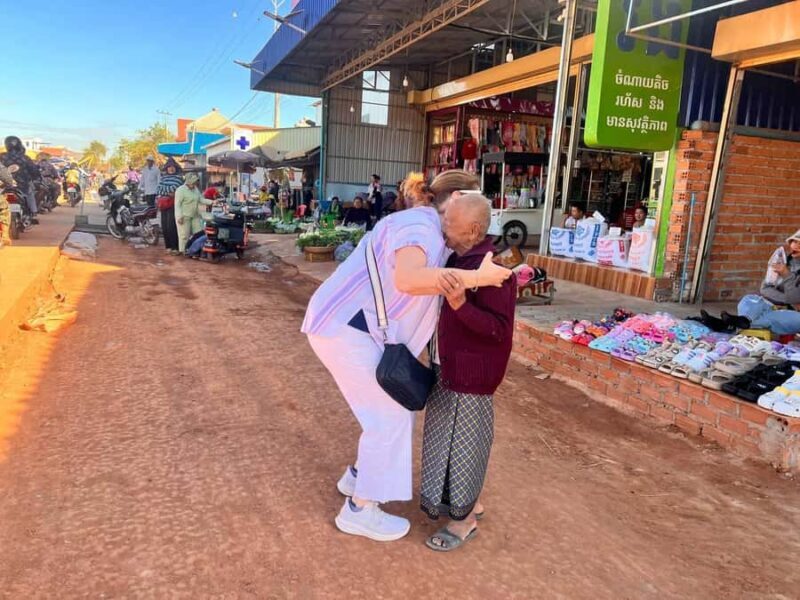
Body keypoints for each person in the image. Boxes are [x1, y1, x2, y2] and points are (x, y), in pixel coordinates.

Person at [301, 169, 507, 543]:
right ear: (457, 198)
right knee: (391, 416)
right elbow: (409, 280)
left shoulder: (434, 231)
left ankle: (357, 478)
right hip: (347, 328)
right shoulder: (420, 226)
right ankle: (360, 509)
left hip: (353, 327)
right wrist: (479, 279)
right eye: (475, 206)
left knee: (387, 411)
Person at [420, 193, 516, 552]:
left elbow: (498, 329)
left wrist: (460, 305)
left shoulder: (494, 270)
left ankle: (465, 522)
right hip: (449, 369)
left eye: (450, 222)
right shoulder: (457, 258)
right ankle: (469, 501)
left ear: (474, 229)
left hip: (473, 376)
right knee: (445, 443)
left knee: (464, 446)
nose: (443, 226)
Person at [717, 231, 800, 335]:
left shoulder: (785, 270)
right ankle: (744, 320)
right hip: (776, 305)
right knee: (750, 299)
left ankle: (727, 325)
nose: (796, 246)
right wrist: (787, 301)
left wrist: (787, 275)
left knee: (772, 318)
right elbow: (765, 288)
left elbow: (795, 297)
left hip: (794, 313)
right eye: (795, 242)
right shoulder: (784, 262)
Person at [0, 136, 40, 221]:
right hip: (22, 185)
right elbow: (34, 170)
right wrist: (36, 178)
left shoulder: (1, 156)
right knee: (30, 193)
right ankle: (33, 212)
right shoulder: (25, 158)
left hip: (4, 186)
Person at [174, 173, 212, 254]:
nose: (195, 184)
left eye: (195, 182)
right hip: (184, 216)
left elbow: (201, 199)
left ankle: (196, 250)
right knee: (184, 236)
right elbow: (177, 205)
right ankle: (183, 251)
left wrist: (212, 202)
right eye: (193, 182)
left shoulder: (195, 189)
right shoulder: (180, 190)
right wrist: (179, 217)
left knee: (199, 233)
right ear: (188, 182)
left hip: (195, 215)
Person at [156, 160, 183, 255]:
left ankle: (175, 247)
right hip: (163, 205)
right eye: (169, 167)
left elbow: (175, 188)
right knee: (165, 226)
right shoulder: (163, 178)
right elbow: (158, 189)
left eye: (173, 167)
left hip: (173, 205)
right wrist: (168, 192)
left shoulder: (179, 178)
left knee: (172, 226)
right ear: (166, 168)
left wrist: (165, 190)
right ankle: (168, 246)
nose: (171, 168)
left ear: (176, 168)